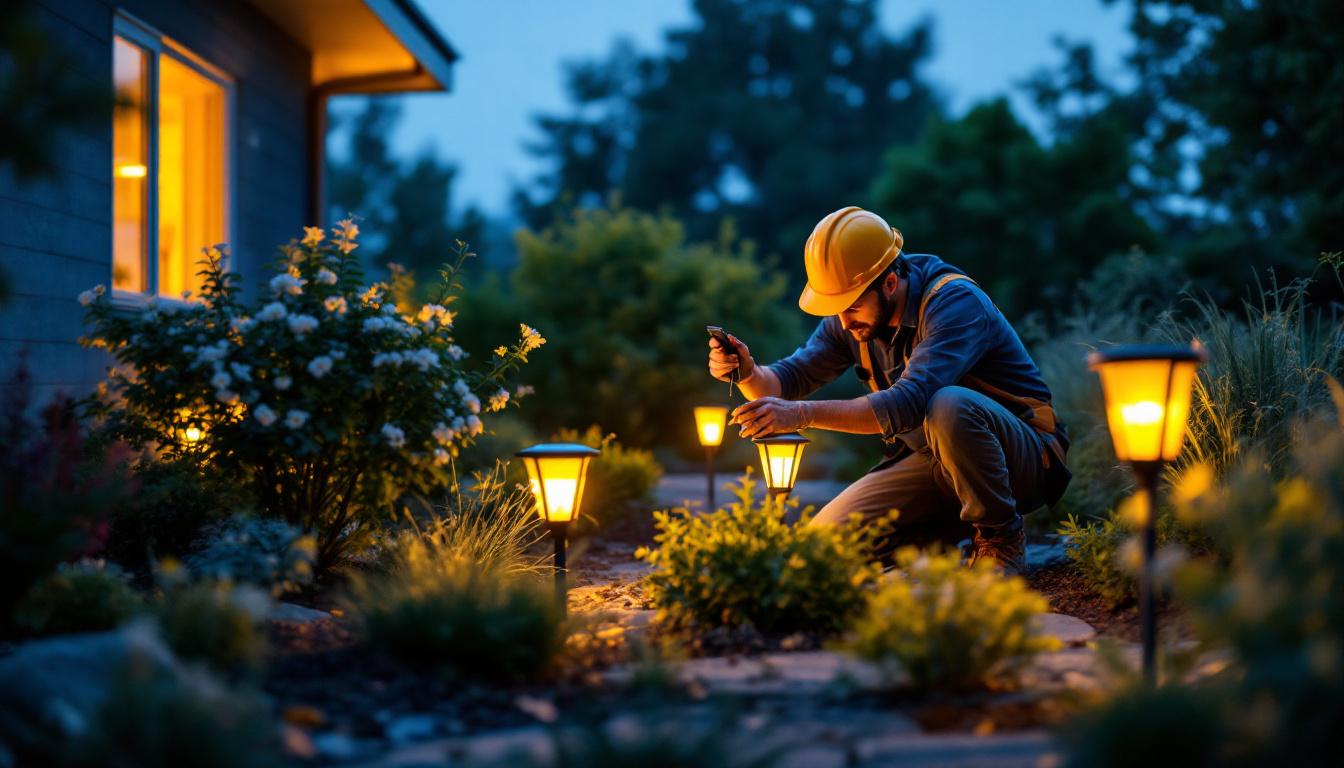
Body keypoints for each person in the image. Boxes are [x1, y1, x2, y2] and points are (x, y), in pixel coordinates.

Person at [707, 206, 1070, 573]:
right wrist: (748, 372)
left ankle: (1001, 540)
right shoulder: (850, 319)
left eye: (850, 307)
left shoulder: (955, 304)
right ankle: (939, 542)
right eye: (836, 310)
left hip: (1023, 459)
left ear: (890, 283)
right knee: (813, 553)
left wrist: (802, 415)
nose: (844, 322)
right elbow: (788, 381)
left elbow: (907, 404)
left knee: (948, 405)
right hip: (933, 461)